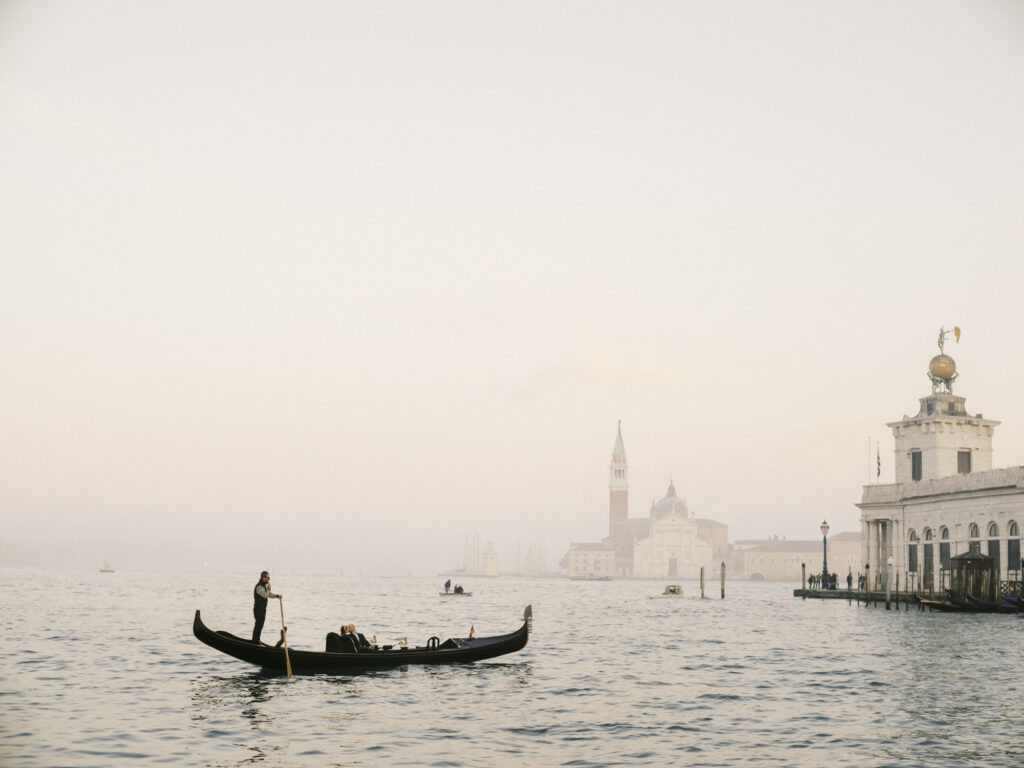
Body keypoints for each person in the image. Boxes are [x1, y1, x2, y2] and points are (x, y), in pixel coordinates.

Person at [252, 571, 282, 643]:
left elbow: (268, 595)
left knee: (261, 624)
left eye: (269, 578)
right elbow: (265, 595)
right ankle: (255, 640)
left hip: (262, 609)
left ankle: (257, 639)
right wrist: (268, 589)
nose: (268, 579)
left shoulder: (263, 587)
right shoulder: (259, 587)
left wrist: (277, 596)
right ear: (263, 578)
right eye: (267, 578)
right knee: (258, 624)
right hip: (258, 609)